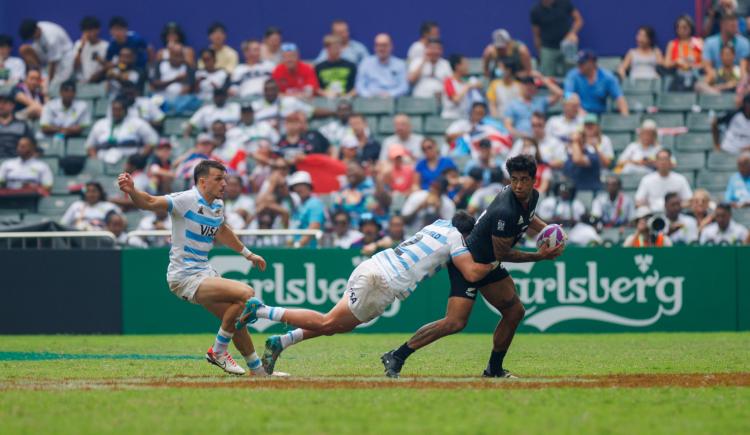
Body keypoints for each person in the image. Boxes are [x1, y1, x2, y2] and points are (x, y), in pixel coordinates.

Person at [238, 210, 496, 375]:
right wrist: (494, 261)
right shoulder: (457, 238)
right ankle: (260, 310)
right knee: (328, 322)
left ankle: (281, 341)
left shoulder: (438, 223)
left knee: (335, 324)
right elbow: (472, 273)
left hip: (374, 265)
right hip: (383, 282)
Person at [382, 155, 563, 378]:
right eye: (514, 179)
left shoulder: (532, 197)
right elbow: (503, 253)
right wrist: (540, 256)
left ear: (533, 180)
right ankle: (398, 355)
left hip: (488, 262)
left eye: (523, 179)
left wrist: (548, 230)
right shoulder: (504, 211)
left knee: (515, 312)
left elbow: (528, 217)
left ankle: (494, 369)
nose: (518, 185)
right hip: (469, 263)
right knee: (455, 322)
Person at [118, 160, 269, 376]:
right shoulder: (186, 199)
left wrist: (248, 254)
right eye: (219, 179)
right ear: (202, 181)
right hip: (184, 277)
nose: (224, 184)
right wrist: (132, 190)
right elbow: (149, 202)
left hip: (204, 272)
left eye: (225, 179)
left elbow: (222, 230)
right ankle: (217, 351)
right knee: (246, 294)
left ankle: (257, 370)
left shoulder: (217, 204)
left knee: (234, 318)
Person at [86, 97, 159, 163]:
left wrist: (138, 159)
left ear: (126, 111)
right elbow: (90, 146)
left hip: (129, 162)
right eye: (114, 109)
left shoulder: (137, 123)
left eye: (119, 110)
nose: (116, 113)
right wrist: (96, 162)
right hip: (103, 160)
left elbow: (153, 140)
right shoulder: (100, 124)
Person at [537, 179, 601, 246]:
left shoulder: (576, 204)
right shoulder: (549, 202)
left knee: (588, 231)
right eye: (562, 191)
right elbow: (540, 219)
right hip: (552, 230)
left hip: (572, 230)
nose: (564, 193)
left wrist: (573, 221)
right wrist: (553, 220)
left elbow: (583, 220)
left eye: (567, 191)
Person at [564, 50, 628, 115]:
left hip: (599, 116)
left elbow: (620, 98)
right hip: (577, 115)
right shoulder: (572, 75)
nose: (579, 65)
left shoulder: (607, 77)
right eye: (578, 63)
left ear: (592, 63)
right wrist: (579, 110)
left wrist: (625, 119)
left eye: (582, 63)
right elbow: (568, 95)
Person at [530, 0, 584, 77]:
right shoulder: (535, 11)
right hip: (548, 47)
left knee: (572, 74)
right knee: (547, 76)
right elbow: (536, 34)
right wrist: (540, 53)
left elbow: (578, 20)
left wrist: (572, 33)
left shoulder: (564, 3)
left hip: (567, 45)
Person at [18, 19, 74, 89]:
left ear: (36, 31)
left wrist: (48, 82)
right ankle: (39, 75)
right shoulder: (37, 27)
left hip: (64, 58)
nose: (32, 39)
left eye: (32, 37)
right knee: (24, 49)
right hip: (46, 55)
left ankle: (46, 81)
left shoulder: (51, 38)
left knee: (54, 84)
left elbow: (53, 62)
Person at [151, 44, 199, 116]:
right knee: (153, 100)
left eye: (180, 56)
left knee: (191, 100)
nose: (179, 58)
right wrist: (175, 80)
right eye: (176, 55)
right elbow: (155, 84)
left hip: (179, 101)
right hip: (160, 98)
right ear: (170, 55)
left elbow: (187, 88)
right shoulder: (160, 64)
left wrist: (176, 99)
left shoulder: (187, 66)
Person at [355, 34, 408, 98]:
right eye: (378, 45)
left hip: (393, 102)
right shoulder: (365, 63)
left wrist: (390, 94)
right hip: (369, 102)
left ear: (391, 46)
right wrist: (368, 96)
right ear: (374, 47)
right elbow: (359, 86)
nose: (381, 48)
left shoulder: (400, 64)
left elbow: (404, 87)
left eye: (384, 45)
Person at [251, 79, 316, 129]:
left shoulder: (290, 102)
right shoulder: (255, 106)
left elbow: (312, 111)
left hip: (285, 136)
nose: (270, 93)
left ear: (278, 90)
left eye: (273, 90)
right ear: (263, 91)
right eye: (267, 90)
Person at [287, 171, 327, 248]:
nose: (298, 188)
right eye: (296, 186)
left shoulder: (315, 203)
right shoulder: (298, 205)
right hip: (298, 250)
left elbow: (314, 227)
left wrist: (298, 245)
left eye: (301, 185)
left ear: (309, 186)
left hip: (310, 252)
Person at [664, 15, 704, 91]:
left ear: (691, 27)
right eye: (678, 27)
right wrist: (676, 62)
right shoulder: (672, 44)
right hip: (677, 76)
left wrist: (693, 66)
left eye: (684, 27)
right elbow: (666, 64)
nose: (681, 30)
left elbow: (705, 63)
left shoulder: (698, 42)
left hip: (695, 75)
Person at [332, 162, 376, 227]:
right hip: (345, 227)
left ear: (362, 170)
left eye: (353, 170)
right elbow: (336, 208)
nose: (350, 173)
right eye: (348, 171)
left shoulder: (370, 186)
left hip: (365, 226)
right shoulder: (344, 189)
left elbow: (371, 211)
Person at [315, 34, 357, 99]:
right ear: (327, 48)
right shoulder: (319, 67)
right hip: (326, 101)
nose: (338, 50)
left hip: (347, 101)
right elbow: (315, 88)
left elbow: (357, 87)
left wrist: (347, 96)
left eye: (339, 47)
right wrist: (325, 94)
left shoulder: (351, 65)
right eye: (334, 47)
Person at [442, 54, 482, 119]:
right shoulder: (448, 81)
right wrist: (467, 87)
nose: (467, 67)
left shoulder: (465, 82)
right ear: (457, 66)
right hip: (450, 118)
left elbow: (480, 85)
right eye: (465, 64)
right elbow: (456, 99)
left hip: (464, 117)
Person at [72, 17, 108, 83]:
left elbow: (108, 66)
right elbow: (75, 66)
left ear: (98, 30)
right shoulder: (78, 44)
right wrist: (81, 47)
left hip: (99, 82)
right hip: (81, 83)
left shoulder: (106, 46)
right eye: (86, 31)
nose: (89, 33)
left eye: (91, 30)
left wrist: (97, 76)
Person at [0, 92, 32, 158]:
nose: (1, 106)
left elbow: (31, 145)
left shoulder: (22, 125)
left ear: (12, 105)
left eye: (4, 103)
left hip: (16, 162)